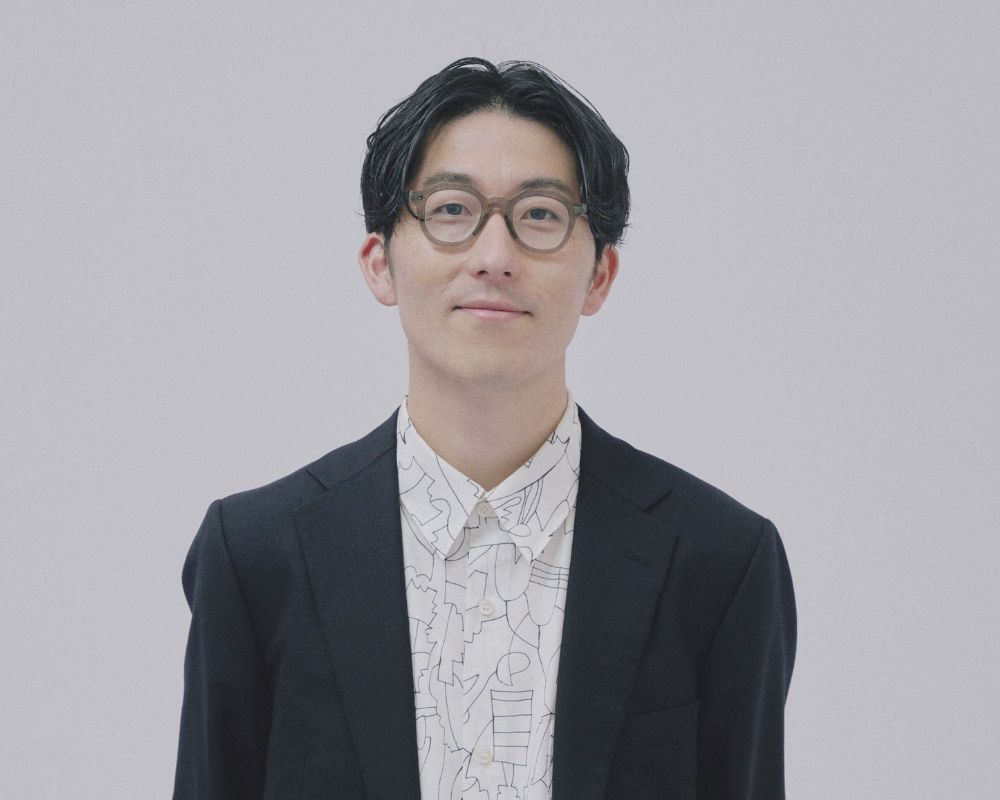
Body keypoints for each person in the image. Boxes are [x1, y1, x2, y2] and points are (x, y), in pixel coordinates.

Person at [172, 57, 796, 800]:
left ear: (600, 274)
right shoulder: (256, 557)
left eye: (540, 215)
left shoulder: (720, 561)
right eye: (451, 210)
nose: (494, 258)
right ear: (380, 262)